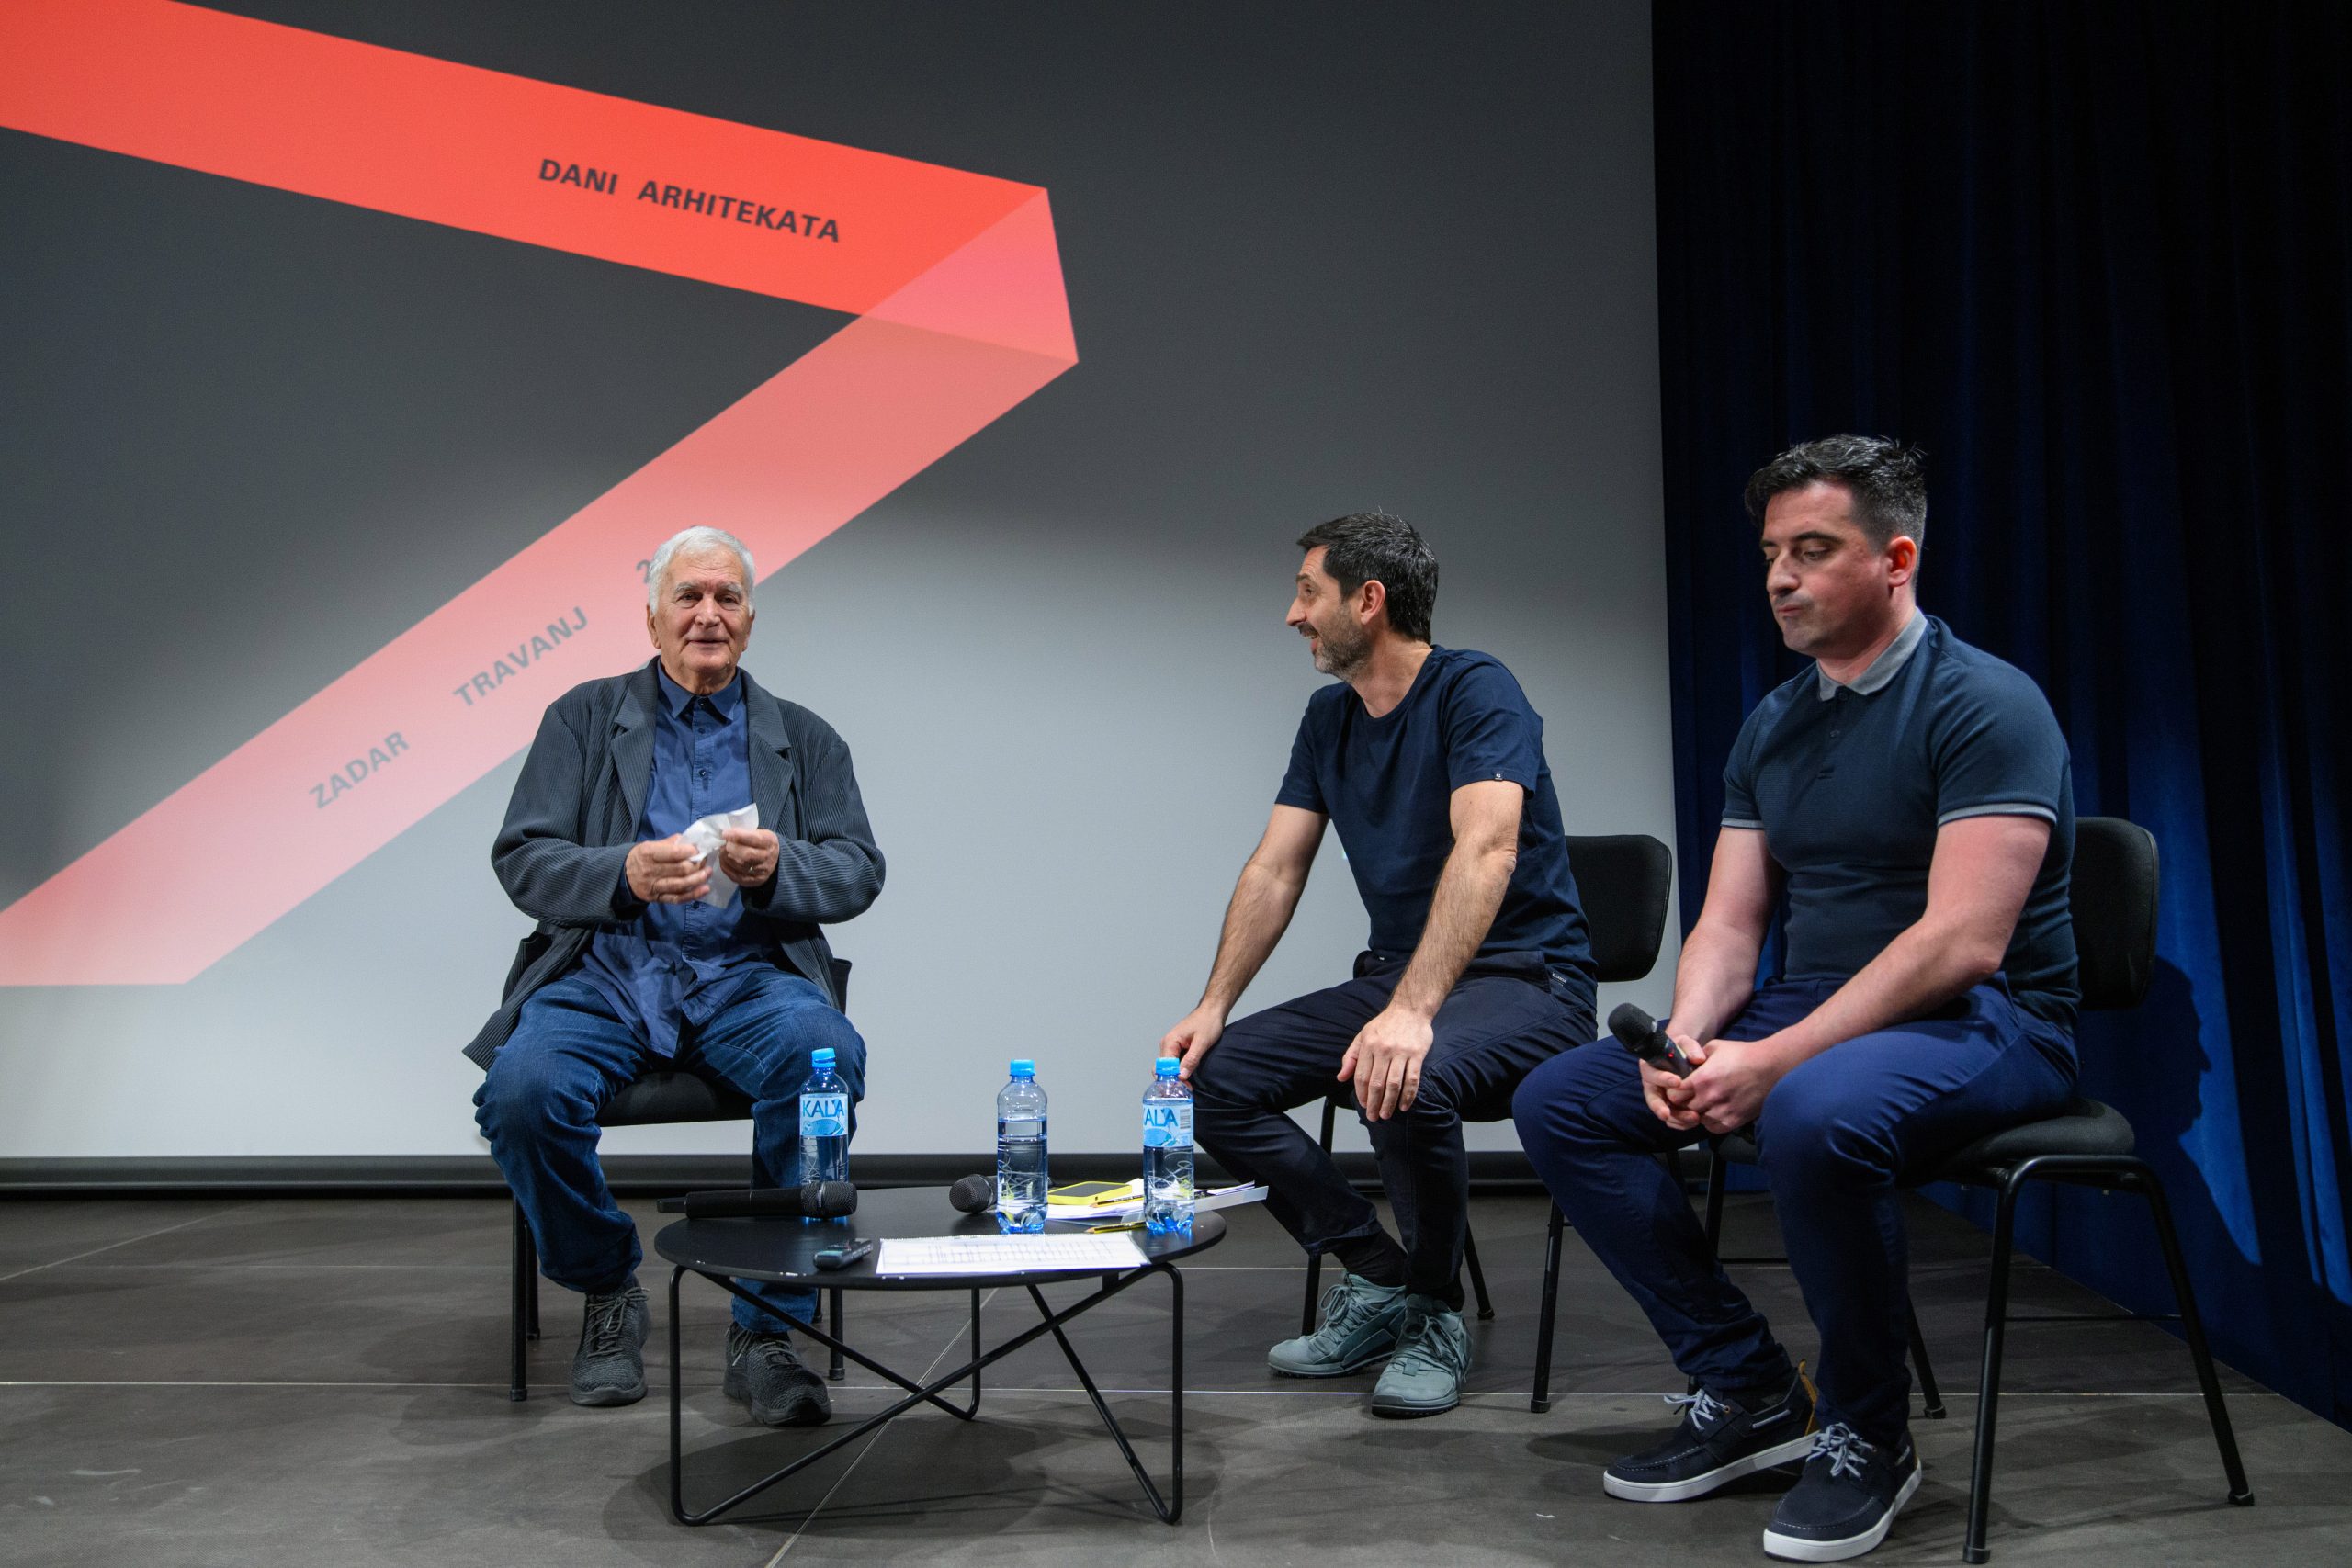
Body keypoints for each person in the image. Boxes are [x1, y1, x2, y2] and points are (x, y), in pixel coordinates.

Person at [1512, 436, 2079, 1561]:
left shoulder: (1985, 703)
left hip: (1992, 1019)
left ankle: (1870, 1431)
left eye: (1811, 550)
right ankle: (1749, 1385)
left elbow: (1963, 943)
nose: (1779, 576)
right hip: (1816, 1006)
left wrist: (1774, 1062)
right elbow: (1730, 925)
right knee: (1563, 1101)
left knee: (1812, 1112)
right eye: (1772, 552)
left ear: (1895, 559)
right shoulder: (1773, 721)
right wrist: (1684, 1041)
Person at [1161, 512, 1597, 1417]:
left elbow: (1487, 848)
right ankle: (1379, 1272)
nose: (1292, 614)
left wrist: (1411, 1010)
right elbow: (1276, 869)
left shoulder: (1476, 690)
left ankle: (1435, 1312)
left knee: (1402, 1071)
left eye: (1307, 592)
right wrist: (1213, 1004)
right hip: (1400, 976)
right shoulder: (1329, 718)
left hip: (1529, 982)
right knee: (1207, 1078)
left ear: (1369, 600)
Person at [465, 525, 883, 1426]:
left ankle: (766, 1330)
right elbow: (523, 859)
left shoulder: (804, 738)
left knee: (823, 1060)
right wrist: (619, 872)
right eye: (688, 596)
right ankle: (607, 1283)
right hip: (607, 971)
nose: (707, 614)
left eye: (727, 597)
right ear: (652, 617)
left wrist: (781, 867)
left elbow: (858, 869)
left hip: (747, 974)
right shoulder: (583, 718)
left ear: (750, 619)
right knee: (521, 1094)